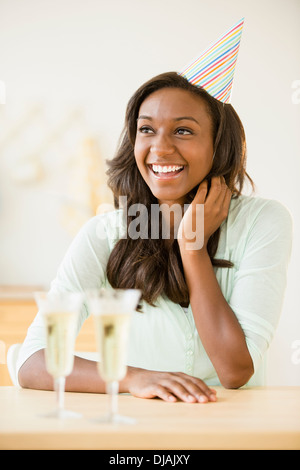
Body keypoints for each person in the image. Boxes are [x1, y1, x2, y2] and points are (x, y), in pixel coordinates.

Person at [17, 71, 292, 403]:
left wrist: (193, 249)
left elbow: (234, 372)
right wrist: (132, 377)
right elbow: (32, 363)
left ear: (219, 143)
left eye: (183, 130)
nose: (160, 148)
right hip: (141, 426)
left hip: (231, 426)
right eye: (146, 129)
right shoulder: (105, 232)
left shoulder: (263, 222)